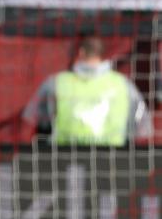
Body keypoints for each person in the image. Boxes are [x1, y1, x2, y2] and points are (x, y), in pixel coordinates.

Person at [23, 36, 151, 146]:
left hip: (65, 160)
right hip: (112, 161)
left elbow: (37, 123)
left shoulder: (57, 82)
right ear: (102, 54)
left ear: (81, 52)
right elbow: (140, 128)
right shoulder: (123, 84)